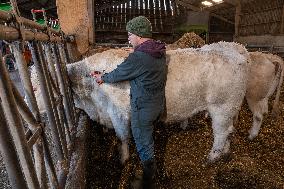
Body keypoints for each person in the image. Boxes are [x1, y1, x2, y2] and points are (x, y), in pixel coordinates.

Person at [91, 16, 167, 188]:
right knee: (148, 136)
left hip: (142, 108)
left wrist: (102, 77)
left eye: (130, 34)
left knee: (143, 142)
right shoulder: (158, 51)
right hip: (157, 104)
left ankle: (148, 181)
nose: (128, 38)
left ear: (139, 36)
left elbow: (119, 74)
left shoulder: (138, 57)